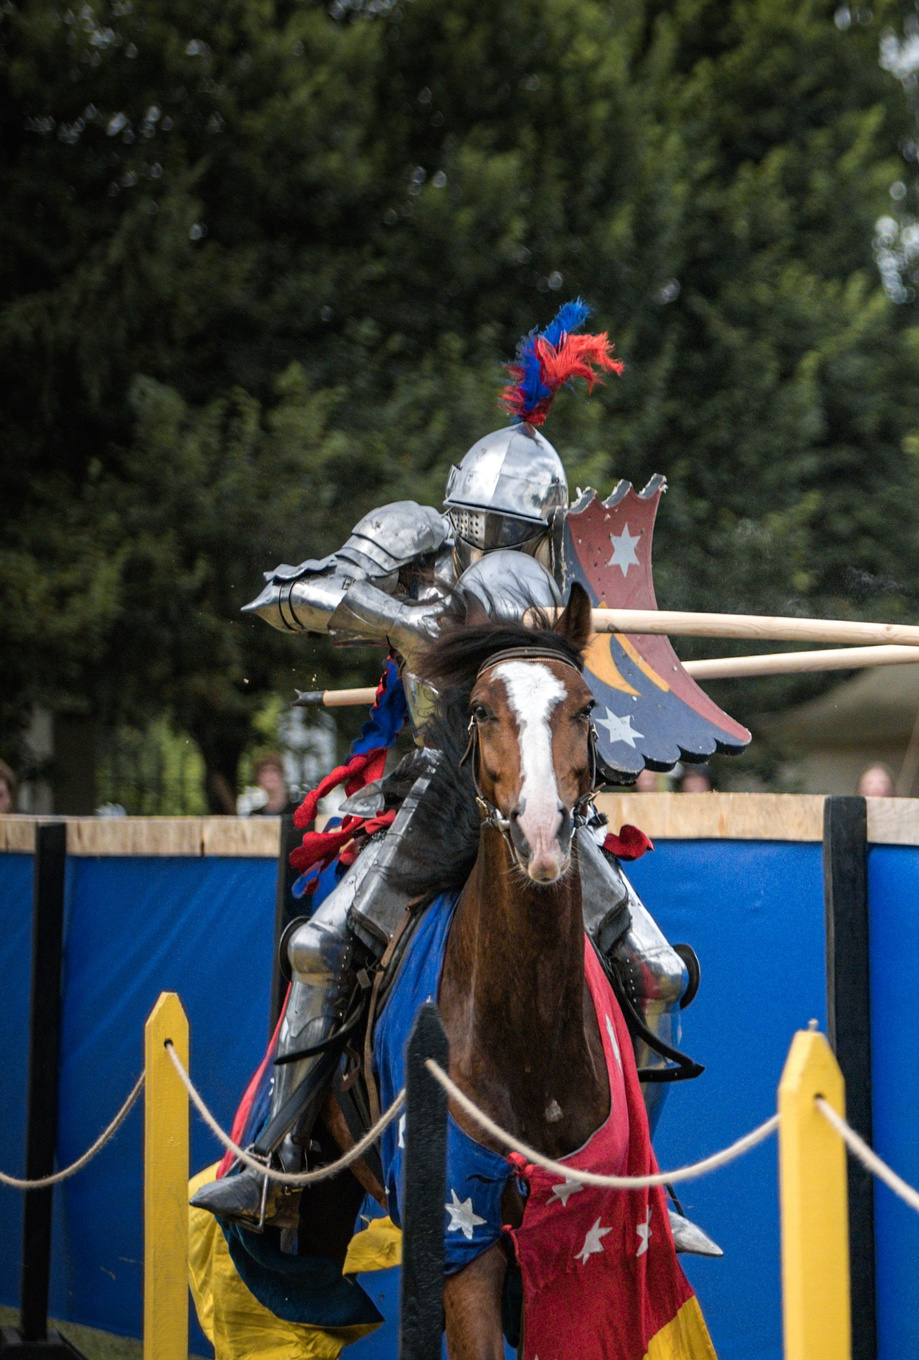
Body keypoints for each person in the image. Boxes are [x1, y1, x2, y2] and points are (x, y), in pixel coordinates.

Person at [201, 302, 715, 1251]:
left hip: (535, 803)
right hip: (434, 800)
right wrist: (396, 622)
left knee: (656, 970)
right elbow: (286, 594)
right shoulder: (419, 549)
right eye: (501, 532)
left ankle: (639, 1181)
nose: (513, 553)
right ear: (469, 521)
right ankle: (270, 1157)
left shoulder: (563, 602)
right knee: (322, 945)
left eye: (530, 535)